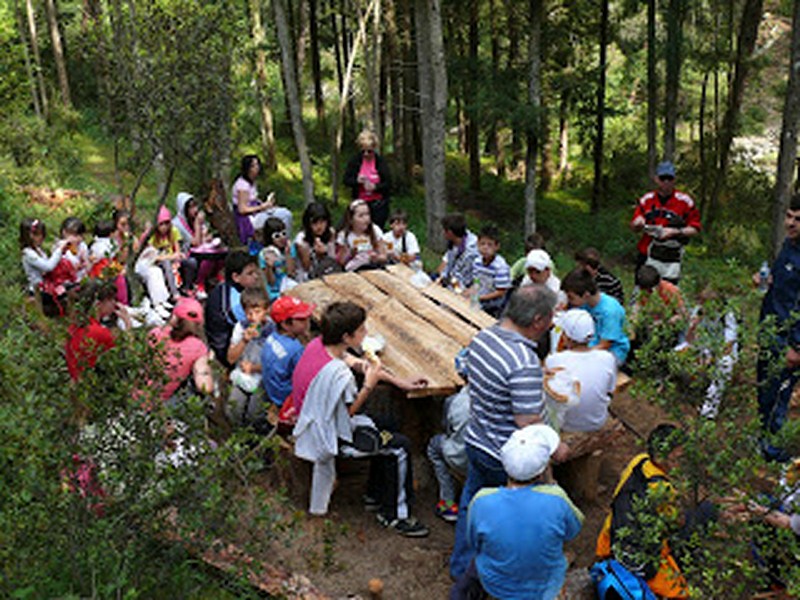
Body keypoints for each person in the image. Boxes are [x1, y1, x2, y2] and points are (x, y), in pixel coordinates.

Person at [450, 285, 567, 579]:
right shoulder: (523, 361)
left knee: (472, 505)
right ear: (538, 320)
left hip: (476, 438)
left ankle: (461, 566)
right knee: (512, 518)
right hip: (505, 454)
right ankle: (503, 574)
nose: (553, 323)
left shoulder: (485, 336)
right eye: (551, 317)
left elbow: (463, 367)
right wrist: (555, 446)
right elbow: (527, 422)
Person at [292, 301, 429, 537]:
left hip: (309, 417)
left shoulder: (319, 345)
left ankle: (375, 493)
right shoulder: (339, 376)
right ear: (347, 336)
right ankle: (395, 515)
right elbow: (345, 416)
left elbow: (355, 362)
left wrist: (400, 382)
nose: (366, 334)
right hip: (325, 435)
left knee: (388, 424)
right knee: (400, 447)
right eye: (362, 330)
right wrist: (368, 387)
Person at [451, 424, 583, 600]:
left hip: (495, 584)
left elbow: (474, 541)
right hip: (544, 588)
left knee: (472, 571)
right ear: (543, 469)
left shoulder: (482, 500)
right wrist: (551, 483)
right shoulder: (557, 498)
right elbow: (573, 530)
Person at [596, 424, 691, 599]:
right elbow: (676, 524)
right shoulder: (663, 489)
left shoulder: (639, 460)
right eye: (677, 457)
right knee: (682, 592)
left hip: (609, 538)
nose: (680, 461)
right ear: (662, 456)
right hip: (638, 555)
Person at [757, 195, 800, 461]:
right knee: (765, 389)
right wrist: (767, 280)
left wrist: (797, 346)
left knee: (779, 395)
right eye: (789, 216)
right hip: (769, 331)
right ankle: (764, 438)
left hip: (789, 341)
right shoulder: (788, 245)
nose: (791, 223)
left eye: (798, 220)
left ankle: (776, 452)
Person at [545, 309, 617, 432]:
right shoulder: (607, 358)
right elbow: (610, 389)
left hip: (566, 425)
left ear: (566, 336)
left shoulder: (554, 360)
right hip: (598, 420)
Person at [630, 160, 701, 283]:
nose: (666, 183)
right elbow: (634, 225)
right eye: (663, 179)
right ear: (656, 179)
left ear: (674, 180)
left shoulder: (685, 201)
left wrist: (675, 232)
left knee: (669, 294)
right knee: (642, 292)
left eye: (669, 179)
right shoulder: (646, 200)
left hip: (671, 256)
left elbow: (695, 228)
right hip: (647, 252)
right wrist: (638, 222)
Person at [426, 350, 471, 524]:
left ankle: (448, 501)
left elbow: (447, 428)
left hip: (462, 457)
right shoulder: (496, 396)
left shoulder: (454, 401)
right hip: (493, 456)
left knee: (434, 446)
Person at [149, 297, 213, 405]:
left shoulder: (155, 333)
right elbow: (205, 387)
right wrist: (208, 362)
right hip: (159, 405)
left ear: (174, 317)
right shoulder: (198, 348)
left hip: (134, 397)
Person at [225, 286, 273, 432]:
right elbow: (231, 359)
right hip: (243, 375)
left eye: (257, 312)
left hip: (262, 377)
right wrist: (244, 341)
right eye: (248, 312)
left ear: (266, 310)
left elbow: (275, 364)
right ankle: (237, 436)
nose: (252, 317)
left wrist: (254, 368)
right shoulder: (240, 327)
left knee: (254, 413)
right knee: (232, 410)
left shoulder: (273, 331)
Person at [561, 267, 630, 367]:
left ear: (586, 295)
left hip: (612, 352)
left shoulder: (609, 311)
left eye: (571, 298)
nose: (569, 301)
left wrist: (580, 353)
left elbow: (605, 344)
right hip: (589, 345)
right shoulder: (584, 303)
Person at [65, 280, 130, 382]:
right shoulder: (99, 332)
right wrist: (128, 324)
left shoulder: (73, 326)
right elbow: (130, 352)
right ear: (98, 305)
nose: (114, 303)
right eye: (110, 299)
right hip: (95, 386)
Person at [205, 251, 261, 368]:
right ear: (236, 277)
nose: (256, 276)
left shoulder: (225, 288)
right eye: (250, 273)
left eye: (255, 272)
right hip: (224, 349)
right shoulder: (235, 303)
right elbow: (252, 322)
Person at [261, 295, 314, 408]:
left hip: (271, 392)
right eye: (302, 319)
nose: (308, 321)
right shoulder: (295, 349)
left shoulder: (272, 336)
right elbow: (306, 378)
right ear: (285, 324)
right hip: (285, 399)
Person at [231, 155, 293, 246]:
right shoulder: (242, 186)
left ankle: (282, 240)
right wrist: (262, 207)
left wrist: (267, 205)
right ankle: (282, 241)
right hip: (248, 219)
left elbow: (254, 200)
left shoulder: (252, 182)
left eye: (257, 165)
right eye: (253, 166)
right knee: (285, 215)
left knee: (284, 213)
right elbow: (242, 209)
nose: (257, 168)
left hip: (256, 212)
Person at [172, 192, 224, 298]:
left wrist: (206, 237)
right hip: (185, 254)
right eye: (191, 207)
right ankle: (199, 284)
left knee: (219, 255)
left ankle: (214, 278)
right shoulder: (178, 224)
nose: (194, 210)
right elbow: (195, 242)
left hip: (199, 251)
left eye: (195, 206)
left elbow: (203, 236)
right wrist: (197, 224)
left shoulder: (195, 219)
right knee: (205, 260)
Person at [343, 130, 393, 229]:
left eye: (369, 151)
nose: (366, 154)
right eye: (363, 151)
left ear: (374, 149)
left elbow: (388, 183)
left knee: (377, 231)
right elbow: (346, 180)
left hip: (378, 205)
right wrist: (357, 181)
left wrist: (375, 187)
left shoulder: (380, 162)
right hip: (360, 205)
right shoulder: (355, 161)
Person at [19, 217, 70, 297]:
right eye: (38, 235)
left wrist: (58, 251)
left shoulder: (38, 249)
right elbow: (48, 266)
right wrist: (59, 250)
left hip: (47, 285)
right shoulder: (28, 253)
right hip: (39, 290)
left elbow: (48, 262)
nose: (41, 237)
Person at [336, 199, 387, 271]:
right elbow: (341, 261)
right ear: (351, 219)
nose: (366, 218)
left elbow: (384, 256)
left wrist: (376, 257)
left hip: (373, 268)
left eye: (367, 214)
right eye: (361, 216)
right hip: (353, 271)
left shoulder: (375, 230)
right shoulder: (344, 235)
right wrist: (350, 253)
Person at [472, 225, 512, 317]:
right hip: (481, 295)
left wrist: (480, 298)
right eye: (482, 244)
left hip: (494, 302)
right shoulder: (477, 262)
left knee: (475, 310)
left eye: (490, 244)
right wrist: (473, 292)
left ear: (497, 246)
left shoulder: (500, 266)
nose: (485, 248)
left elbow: (501, 291)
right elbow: (476, 280)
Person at [294, 202, 338, 282]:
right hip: (307, 276)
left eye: (322, 222)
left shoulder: (331, 233)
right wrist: (318, 255)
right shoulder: (301, 240)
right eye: (315, 223)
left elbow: (333, 258)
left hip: (327, 270)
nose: (319, 226)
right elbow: (307, 268)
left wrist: (325, 254)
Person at [438, 214, 479, 292]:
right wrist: (442, 277)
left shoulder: (471, 253)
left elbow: (463, 280)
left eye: (444, 230)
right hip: (451, 281)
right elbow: (446, 265)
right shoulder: (455, 243)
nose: (442, 233)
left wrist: (446, 284)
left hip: (462, 288)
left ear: (450, 232)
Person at [259, 217, 296, 300]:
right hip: (274, 291)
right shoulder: (264, 254)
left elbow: (291, 273)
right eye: (277, 236)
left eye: (283, 233)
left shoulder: (290, 248)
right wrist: (269, 266)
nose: (282, 238)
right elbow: (271, 282)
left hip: (288, 284)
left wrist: (288, 255)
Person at [60, 216, 91, 281]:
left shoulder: (82, 245)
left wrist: (85, 261)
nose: (79, 239)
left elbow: (88, 266)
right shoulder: (61, 246)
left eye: (81, 236)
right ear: (65, 233)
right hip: (65, 281)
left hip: (81, 279)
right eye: (75, 236)